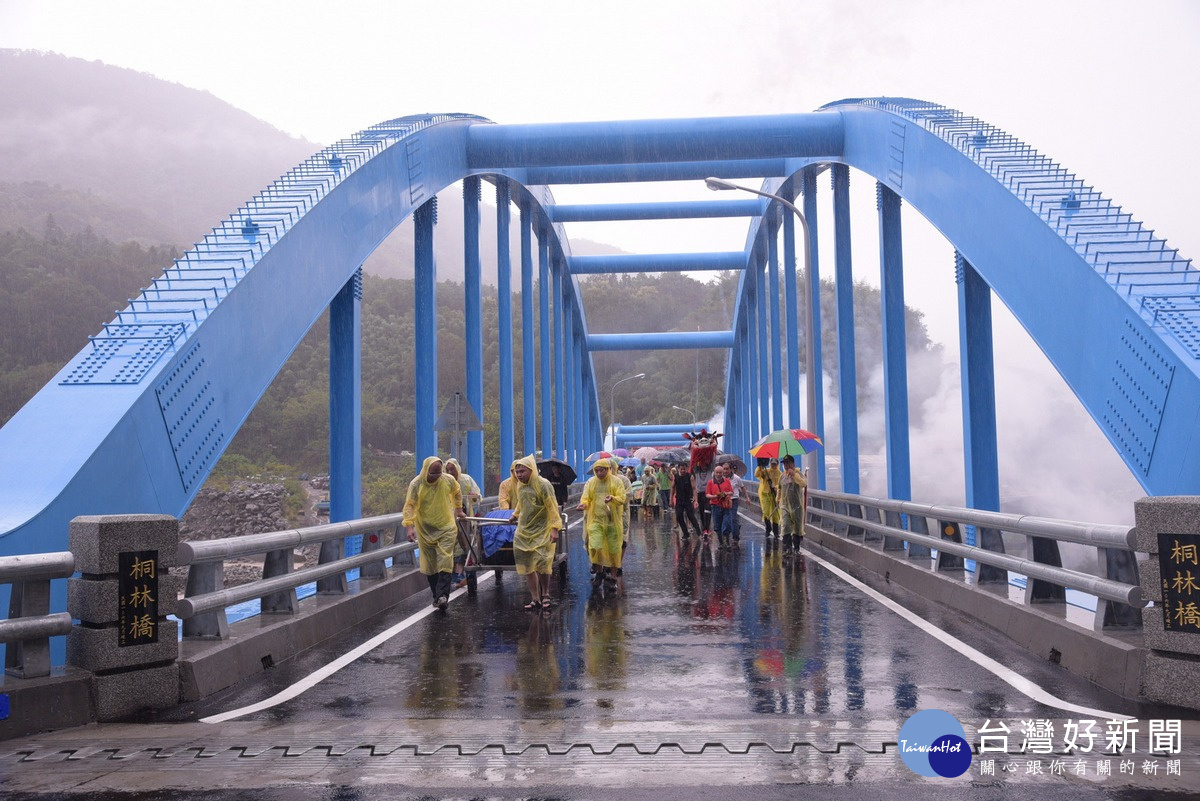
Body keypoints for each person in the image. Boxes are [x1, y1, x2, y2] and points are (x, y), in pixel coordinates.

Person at [403, 456, 465, 610]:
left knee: (445, 559)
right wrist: (409, 526)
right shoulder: (417, 484)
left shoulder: (447, 480)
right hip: (425, 529)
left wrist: (458, 509)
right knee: (430, 565)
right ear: (425, 471)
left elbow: (457, 492)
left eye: (438, 474)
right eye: (432, 474)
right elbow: (410, 505)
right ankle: (437, 596)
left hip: (446, 527)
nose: (436, 477)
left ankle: (443, 595)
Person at [508, 454, 563, 611]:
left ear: (531, 470)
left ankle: (545, 594)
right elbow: (521, 503)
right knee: (527, 566)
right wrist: (514, 515)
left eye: (522, 471)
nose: (519, 475)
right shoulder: (520, 485)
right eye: (516, 472)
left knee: (542, 563)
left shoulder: (543, 485)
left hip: (542, 529)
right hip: (524, 530)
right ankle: (535, 598)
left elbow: (552, 506)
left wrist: (554, 528)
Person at [577, 458, 626, 588]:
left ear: (608, 470)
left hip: (612, 522)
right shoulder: (592, 482)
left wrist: (613, 498)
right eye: (597, 470)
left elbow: (622, 498)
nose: (599, 473)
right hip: (596, 520)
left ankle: (613, 577)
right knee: (594, 546)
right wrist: (584, 504)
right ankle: (600, 571)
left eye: (602, 470)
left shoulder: (616, 482)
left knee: (614, 550)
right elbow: (586, 497)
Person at [444, 458, 482, 586]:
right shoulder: (444, 482)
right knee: (453, 544)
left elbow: (477, 497)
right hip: (448, 519)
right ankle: (457, 572)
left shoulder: (466, 480)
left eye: (452, 469)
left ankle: (461, 573)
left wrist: (473, 496)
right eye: (447, 470)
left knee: (465, 543)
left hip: (464, 519)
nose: (450, 472)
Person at [776, 455, 808, 555]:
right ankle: (788, 548)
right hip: (785, 505)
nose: (786, 465)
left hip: (797, 506)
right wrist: (777, 499)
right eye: (784, 463)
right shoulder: (782, 476)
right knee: (785, 525)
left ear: (793, 463)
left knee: (797, 528)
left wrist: (794, 475)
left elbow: (803, 484)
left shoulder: (799, 474)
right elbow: (779, 488)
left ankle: (796, 548)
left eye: (788, 463)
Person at [705, 464, 735, 549]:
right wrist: (715, 496)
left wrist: (725, 493)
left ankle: (728, 542)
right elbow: (707, 495)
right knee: (717, 526)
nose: (718, 474)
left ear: (722, 473)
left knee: (726, 524)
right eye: (717, 472)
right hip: (715, 506)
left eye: (720, 472)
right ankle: (721, 543)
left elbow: (731, 492)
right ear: (714, 473)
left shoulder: (727, 481)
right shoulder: (710, 482)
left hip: (725, 506)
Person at [671, 463, 702, 539]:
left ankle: (698, 531)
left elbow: (694, 488)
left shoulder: (690, 476)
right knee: (678, 516)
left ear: (687, 469)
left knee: (690, 516)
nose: (682, 471)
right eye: (681, 469)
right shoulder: (676, 477)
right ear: (678, 469)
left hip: (688, 499)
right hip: (679, 499)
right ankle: (685, 533)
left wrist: (696, 500)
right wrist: (671, 499)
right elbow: (672, 488)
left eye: (684, 469)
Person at [754, 458, 782, 540]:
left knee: (775, 514)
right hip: (765, 494)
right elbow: (757, 474)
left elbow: (781, 485)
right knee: (765, 512)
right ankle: (768, 528)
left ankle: (776, 533)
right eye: (772, 463)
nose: (773, 465)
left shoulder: (779, 474)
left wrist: (775, 487)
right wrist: (760, 466)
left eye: (775, 464)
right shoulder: (766, 471)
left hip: (775, 495)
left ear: (777, 464)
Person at [727, 465, 744, 543]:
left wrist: (747, 498)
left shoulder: (737, 478)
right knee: (728, 519)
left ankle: (735, 538)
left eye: (728, 469)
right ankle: (736, 527)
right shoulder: (723, 478)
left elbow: (742, 487)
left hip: (734, 500)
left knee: (733, 518)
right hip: (725, 500)